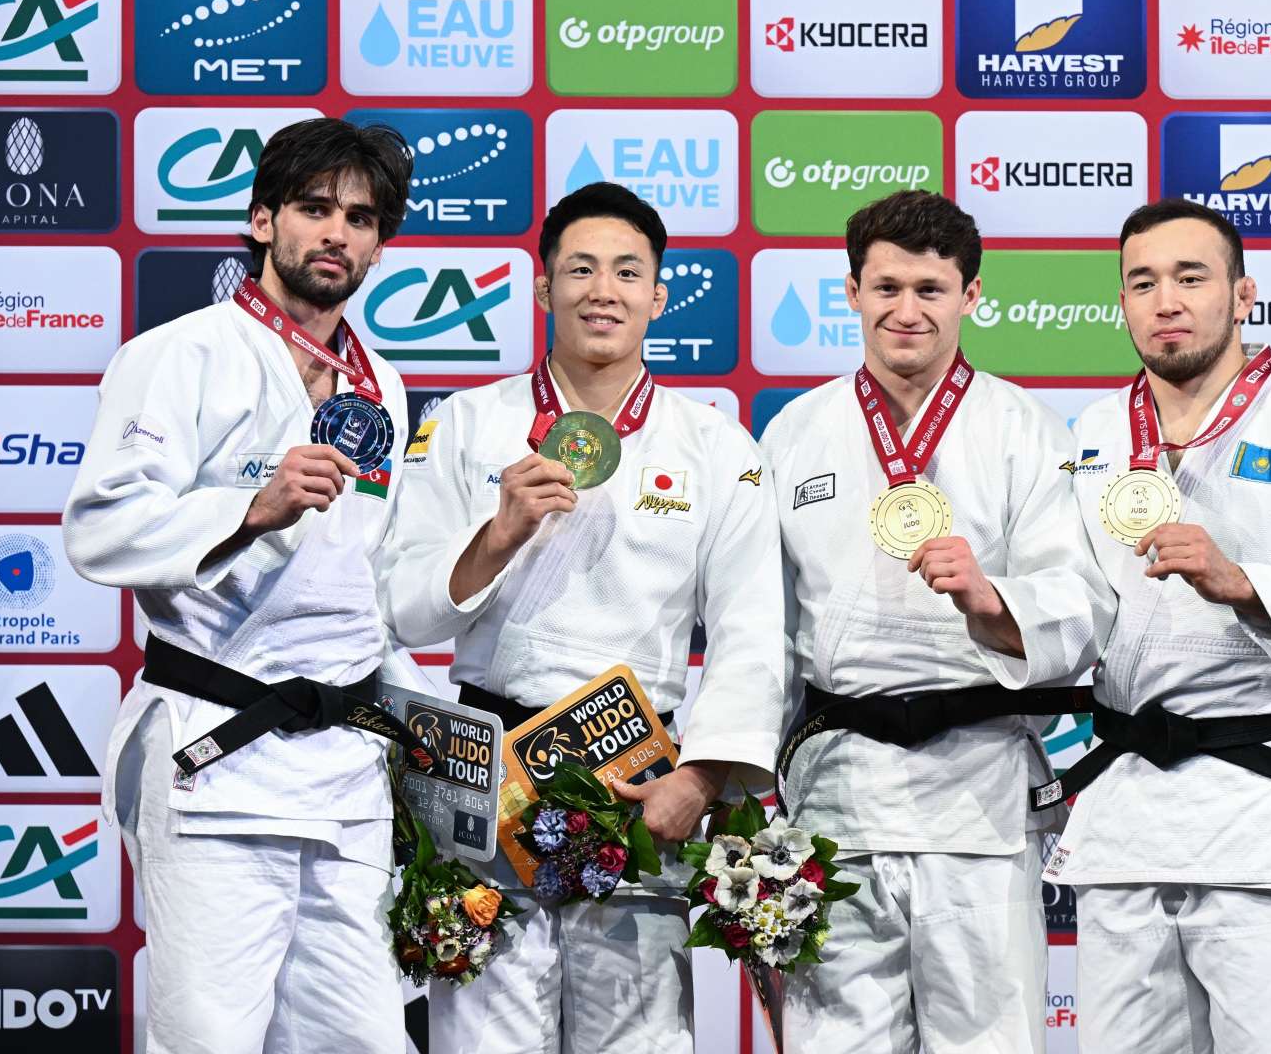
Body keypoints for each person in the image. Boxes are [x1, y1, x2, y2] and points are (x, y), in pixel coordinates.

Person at [379, 181, 785, 1054]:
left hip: (637, 787)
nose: (603, 290)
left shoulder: (714, 446)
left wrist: (701, 780)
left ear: (658, 296)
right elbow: (405, 611)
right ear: (541, 286)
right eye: (581, 269)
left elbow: (753, 630)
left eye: (627, 272)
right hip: (482, 783)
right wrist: (500, 533)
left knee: (637, 1043)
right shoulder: (465, 424)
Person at [63, 117, 417, 1054]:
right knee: (209, 1040)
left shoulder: (381, 377)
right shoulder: (179, 354)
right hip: (216, 756)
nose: (336, 233)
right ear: (263, 221)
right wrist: (248, 510)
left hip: (342, 772)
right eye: (312, 209)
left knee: (366, 1042)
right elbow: (98, 530)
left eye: (360, 216)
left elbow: (363, 575)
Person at [1042, 197, 1271, 1053]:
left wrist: (1240, 582)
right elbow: (1066, 594)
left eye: (1189, 277)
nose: (1164, 300)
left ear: (1242, 295)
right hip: (1123, 813)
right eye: (1142, 282)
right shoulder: (1093, 433)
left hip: (1255, 812)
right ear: (1123, 305)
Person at [760, 189, 1113, 1054]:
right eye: (885, 288)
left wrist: (994, 600)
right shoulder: (795, 432)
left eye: (929, 289)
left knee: (990, 1040)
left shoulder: (1023, 428)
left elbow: (1080, 599)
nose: (906, 311)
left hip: (978, 795)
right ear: (849, 294)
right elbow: (759, 628)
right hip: (834, 795)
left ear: (971, 295)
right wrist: (744, 791)